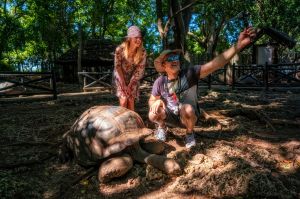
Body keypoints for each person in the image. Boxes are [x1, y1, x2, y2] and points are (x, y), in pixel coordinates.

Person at [148, 27, 256, 148]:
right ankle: (162, 128)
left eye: (176, 58)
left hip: (189, 116)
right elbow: (151, 100)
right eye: (170, 59)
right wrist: (157, 101)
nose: (175, 61)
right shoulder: (160, 81)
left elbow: (216, 63)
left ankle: (189, 134)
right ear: (163, 65)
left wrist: (239, 45)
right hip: (171, 116)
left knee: (187, 108)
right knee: (152, 114)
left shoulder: (190, 73)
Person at [113, 25, 146, 111]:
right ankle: (121, 121)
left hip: (133, 77)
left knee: (131, 100)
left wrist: (130, 84)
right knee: (124, 100)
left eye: (140, 38)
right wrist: (123, 83)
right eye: (136, 37)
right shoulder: (119, 50)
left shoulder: (142, 52)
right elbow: (117, 66)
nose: (138, 40)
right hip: (120, 76)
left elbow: (139, 70)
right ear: (129, 38)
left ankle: (132, 122)